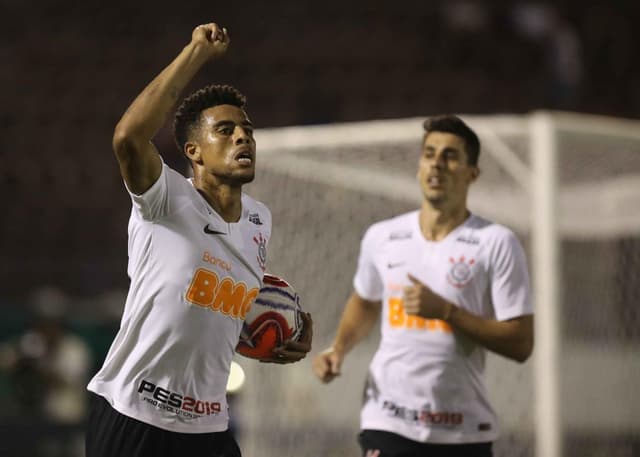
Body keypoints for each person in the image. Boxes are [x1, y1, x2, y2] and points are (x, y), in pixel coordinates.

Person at [86, 22, 312, 457]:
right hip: (135, 414)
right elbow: (128, 138)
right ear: (193, 152)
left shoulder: (259, 220)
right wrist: (196, 53)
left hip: (208, 426)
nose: (243, 135)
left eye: (246, 129)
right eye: (225, 131)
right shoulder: (166, 200)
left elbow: (215, 313)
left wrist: (275, 335)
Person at [313, 115, 533, 457]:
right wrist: (338, 349)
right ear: (419, 166)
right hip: (388, 422)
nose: (436, 164)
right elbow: (366, 300)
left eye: (450, 156)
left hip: (463, 431)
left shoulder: (497, 243)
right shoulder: (382, 236)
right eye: (429, 154)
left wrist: (446, 311)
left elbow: (520, 342)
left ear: (472, 174)